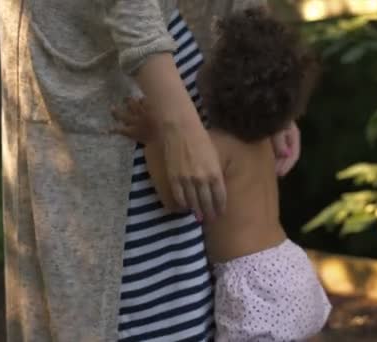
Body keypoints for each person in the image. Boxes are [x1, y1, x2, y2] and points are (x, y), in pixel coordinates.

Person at [0, 0, 299, 341]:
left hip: (162, 94)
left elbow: (174, 199)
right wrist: (182, 122)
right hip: (115, 84)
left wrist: (165, 131)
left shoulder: (222, 136)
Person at [113, 8, 331, 341]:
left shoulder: (216, 147)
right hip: (292, 268)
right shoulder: (263, 141)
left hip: (253, 285)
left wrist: (155, 137)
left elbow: (173, 199)